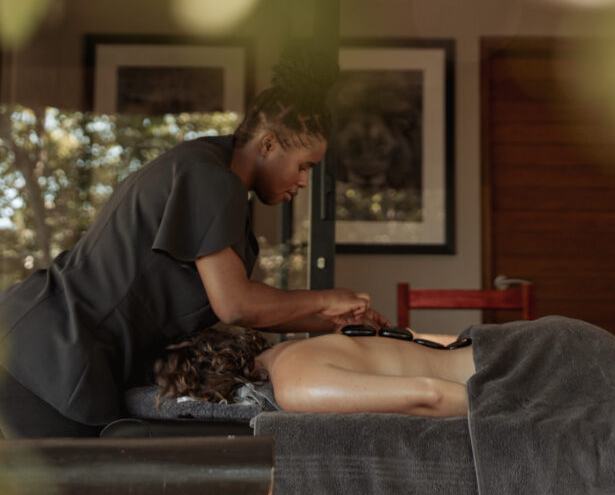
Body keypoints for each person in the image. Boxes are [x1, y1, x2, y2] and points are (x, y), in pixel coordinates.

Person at [0, 45, 387, 438]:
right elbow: (237, 305)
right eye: (304, 166)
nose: (304, 181)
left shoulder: (209, 171)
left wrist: (335, 318)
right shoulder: (211, 180)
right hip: (45, 355)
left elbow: (245, 304)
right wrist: (325, 299)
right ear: (268, 145)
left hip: (44, 346)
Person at [153, 324, 474, 418]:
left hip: (499, 379)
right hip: (494, 346)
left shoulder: (295, 384)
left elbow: (430, 395)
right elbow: (420, 338)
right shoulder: (295, 346)